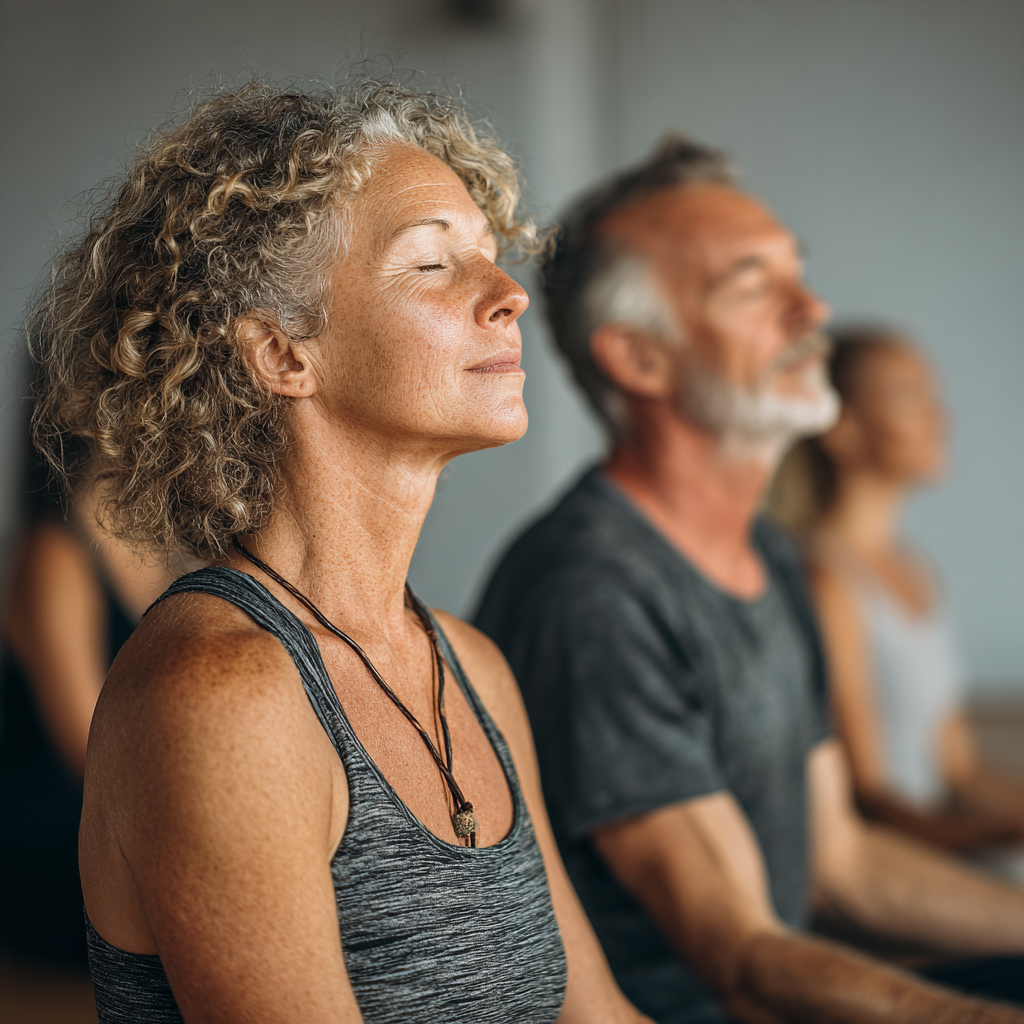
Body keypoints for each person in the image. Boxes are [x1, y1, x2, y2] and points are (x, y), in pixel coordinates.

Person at [30, 81, 650, 1024]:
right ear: (283, 353)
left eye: (490, 255)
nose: (510, 294)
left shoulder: (470, 667)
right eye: (436, 264)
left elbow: (595, 1015)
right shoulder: (223, 693)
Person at [475, 136, 1024, 1024]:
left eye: (796, 275)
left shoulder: (767, 551)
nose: (813, 311)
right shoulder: (592, 592)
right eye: (752, 289)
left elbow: (842, 863)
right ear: (640, 359)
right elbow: (737, 950)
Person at [768, 328, 1024, 857]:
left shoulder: (915, 568)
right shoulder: (825, 579)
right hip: (895, 863)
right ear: (842, 429)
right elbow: (870, 800)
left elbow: (958, 770)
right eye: (911, 398)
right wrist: (1001, 837)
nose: (941, 418)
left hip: (943, 848)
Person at [0, 430, 175, 968]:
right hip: (54, 848)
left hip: (120, 830)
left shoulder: (160, 555)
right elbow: (91, 754)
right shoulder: (53, 554)